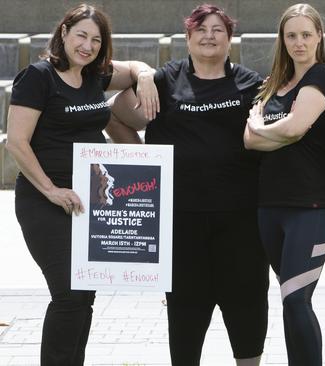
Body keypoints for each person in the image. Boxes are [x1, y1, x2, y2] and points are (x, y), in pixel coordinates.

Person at [104, 4, 269, 366]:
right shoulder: (165, 79)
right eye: (201, 29)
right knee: (186, 312)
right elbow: (112, 104)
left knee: (247, 305)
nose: (209, 35)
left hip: (241, 218)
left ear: (230, 39)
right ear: (188, 37)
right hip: (181, 220)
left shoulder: (250, 83)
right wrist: (142, 73)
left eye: (218, 30)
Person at [5, 3, 157, 365]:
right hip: (45, 200)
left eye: (96, 40)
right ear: (63, 33)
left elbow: (134, 69)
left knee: (84, 293)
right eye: (81, 36)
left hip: (88, 201)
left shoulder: (95, 76)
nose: (87, 46)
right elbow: (16, 142)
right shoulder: (38, 77)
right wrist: (52, 191)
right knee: (69, 294)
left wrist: (146, 75)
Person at [243, 3, 325, 365]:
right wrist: (274, 134)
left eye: (306, 34)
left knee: (295, 297)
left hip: (313, 204)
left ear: (319, 37)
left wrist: (265, 129)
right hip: (270, 205)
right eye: (291, 36)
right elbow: (250, 142)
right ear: (282, 41)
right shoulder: (272, 86)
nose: (299, 43)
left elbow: (296, 127)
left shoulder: (323, 76)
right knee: (289, 297)